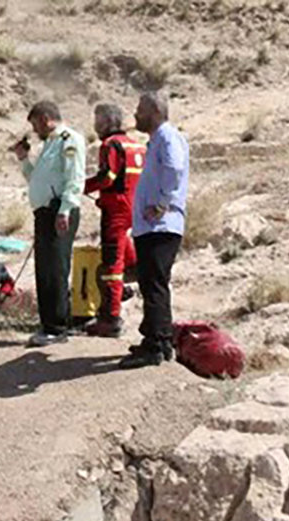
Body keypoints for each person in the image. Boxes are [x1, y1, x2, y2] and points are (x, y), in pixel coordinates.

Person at [120, 90, 189, 369]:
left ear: (155, 112)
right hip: (152, 227)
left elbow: (174, 168)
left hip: (162, 225)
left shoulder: (167, 136)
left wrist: (161, 203)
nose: (136, 115)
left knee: (155, 284)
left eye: (140, 110)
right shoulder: (157, 140)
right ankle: (154, 339)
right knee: (150, 283)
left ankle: (158, 345)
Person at [12, 101, 86, 347]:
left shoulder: (68, 140)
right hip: (44, 213)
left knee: (55, 268)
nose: (35, 131)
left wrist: (65, 210)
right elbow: (37, 179)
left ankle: (57, 327)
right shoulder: (50, 145)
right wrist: (24, 159)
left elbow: (74, 178)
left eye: (35, 124)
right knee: (44, 268)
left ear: (45, 119)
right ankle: (49, 323)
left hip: (58, 211)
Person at [83, 103, 145, 338]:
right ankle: (134, 275)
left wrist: (81, 186)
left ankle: (110, 318)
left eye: (97, 120)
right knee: (123, 256)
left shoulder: (110, 145)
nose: (95, 125)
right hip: (134, 208)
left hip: (116, 210)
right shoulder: (137, 146)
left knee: (110, 265)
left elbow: (106, 177)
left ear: (108, 122)